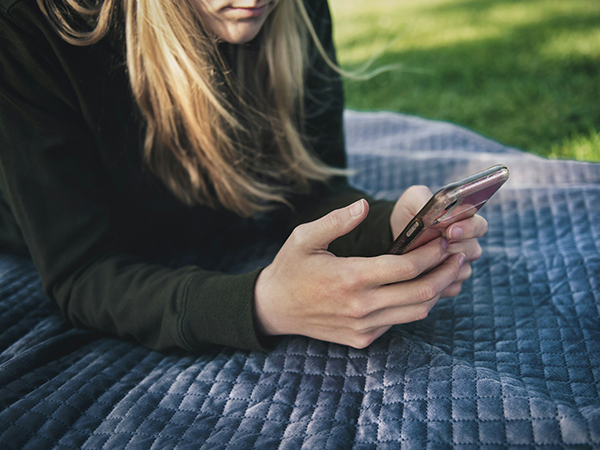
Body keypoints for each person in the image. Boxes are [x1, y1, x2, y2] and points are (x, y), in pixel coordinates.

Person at [0, 0, 486, 352]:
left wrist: (389, 227)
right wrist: (260, 305)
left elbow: (306, 187)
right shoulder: (30, 31)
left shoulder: (294, 12)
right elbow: (84, 272)